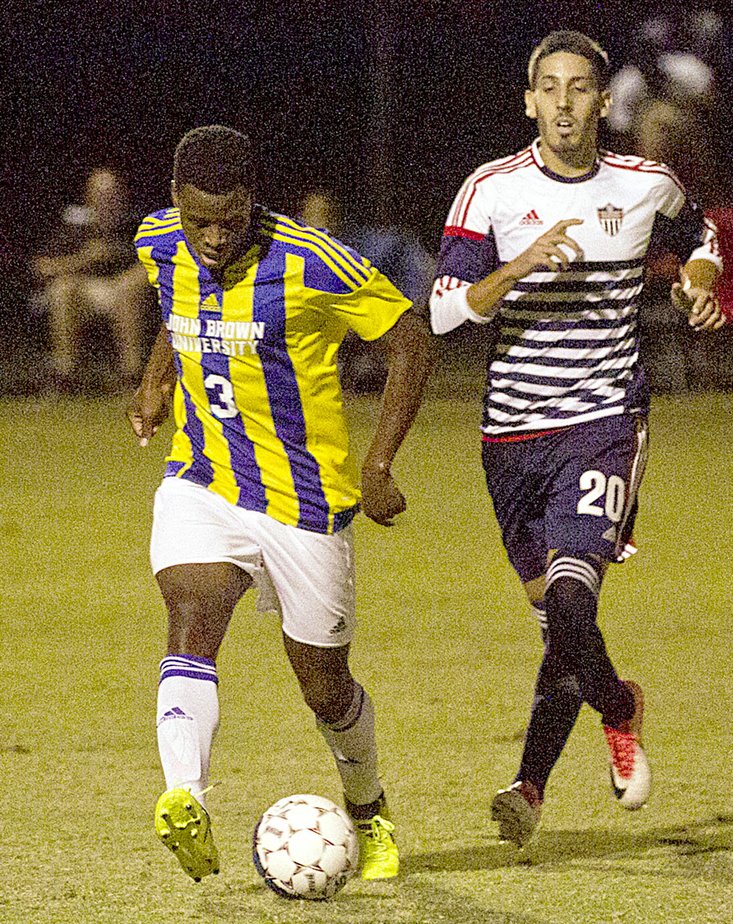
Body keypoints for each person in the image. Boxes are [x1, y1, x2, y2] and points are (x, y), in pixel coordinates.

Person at [429, 31, 724, 850]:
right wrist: (516, 265)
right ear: (529, 101)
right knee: (560, 623)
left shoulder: (645, 186)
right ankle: (614, 704)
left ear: (602, 101)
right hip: (510, 440)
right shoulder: (489, 191)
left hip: (602, 426)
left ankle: (532, 783)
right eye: (549, 89)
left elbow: (700, 240)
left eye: (580, 88)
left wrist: (698, 284)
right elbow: (446, 311)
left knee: (570, 599)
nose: (564, 103)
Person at [127, 125, 433, 882]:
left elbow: (411, 339)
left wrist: (380, 462)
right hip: (203, 479)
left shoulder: (312, 261)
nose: (214, 235)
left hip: (305, 504)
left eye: (230, 217)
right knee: (191, 618)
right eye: (199, 219)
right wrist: (158, 377)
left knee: (324, 688)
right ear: (175, 202)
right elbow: (177, 306)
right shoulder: (158, 241)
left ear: (252, 200)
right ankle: (184, 799)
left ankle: (368, 809)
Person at [298, 190, 435, 392]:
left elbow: (421, 271)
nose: (319, 221)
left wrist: (405, 309)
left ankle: (370, 368)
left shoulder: (363, 246)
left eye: (326, 214)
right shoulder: (286, 251)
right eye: (312, 214)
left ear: (337, 217)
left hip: (358, 322)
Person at [32, 167, 150, 391]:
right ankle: (64, 376)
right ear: (89, 198)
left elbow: (161, 263)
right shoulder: (74, 227)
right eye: (101, 195)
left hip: (131, 291)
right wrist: (84, 259)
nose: (107, 201)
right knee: (63, 289)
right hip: (88, 291)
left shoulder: (139, 225)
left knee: (129, 286)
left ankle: (131, 376)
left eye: (113, 195)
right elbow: (42, 267)